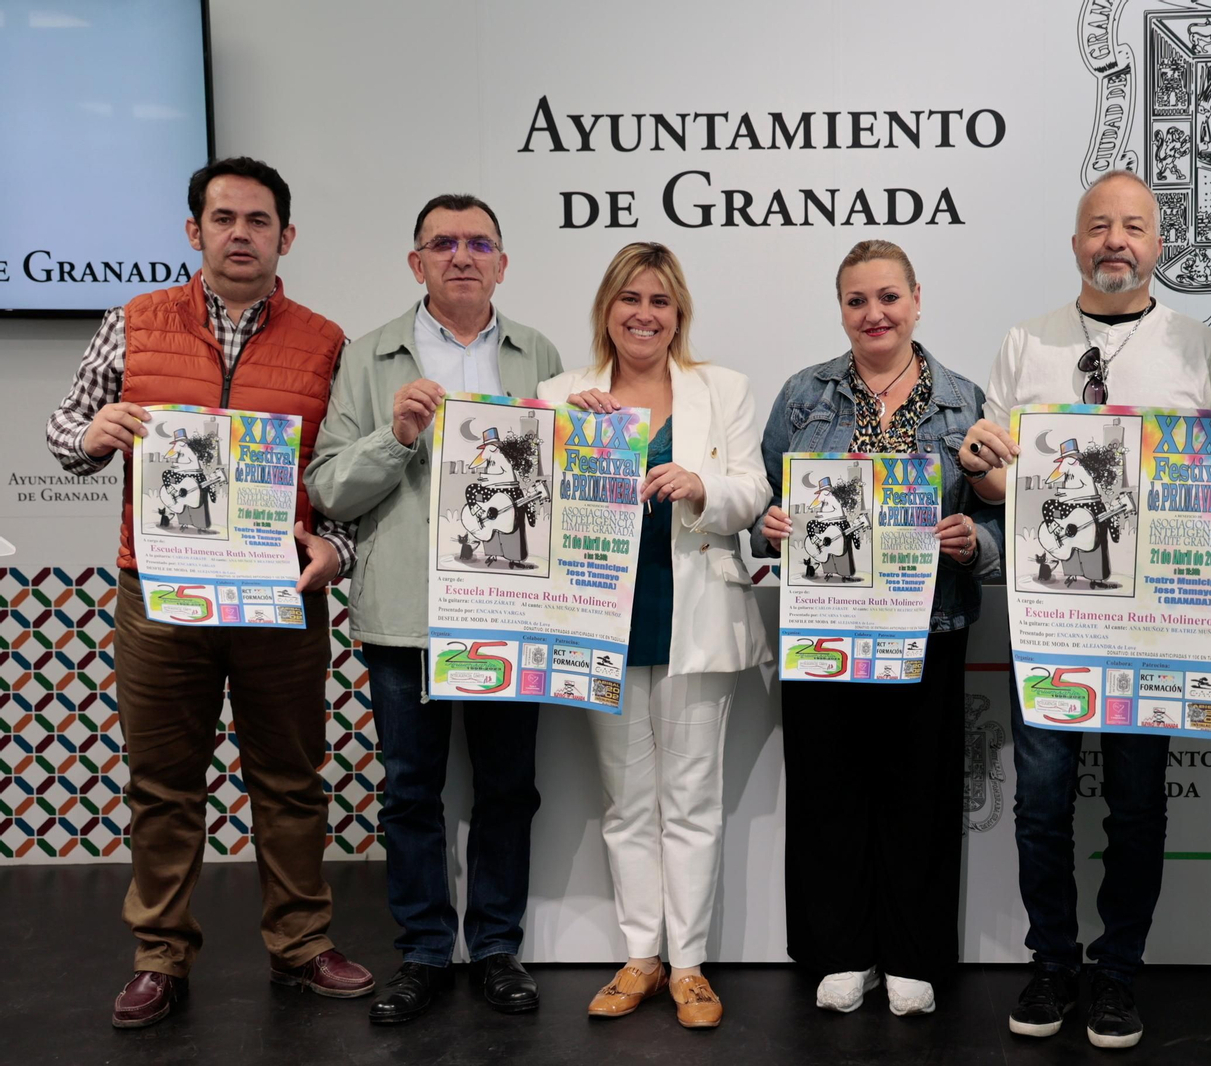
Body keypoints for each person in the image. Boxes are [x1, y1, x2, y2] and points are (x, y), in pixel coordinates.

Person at [44, 157, 374, 1028]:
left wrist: (336, 550)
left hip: (279, 596)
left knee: (290, 780)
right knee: (163, 784)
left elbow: (340, 478)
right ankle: (159, 956)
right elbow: (63, 431)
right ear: (195, 231)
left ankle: (301, 944)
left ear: (285, 237)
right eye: (223, 218)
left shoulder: (326, 341)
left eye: (258, 221)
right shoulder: (133, 322)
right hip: (159, 595)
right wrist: (92, 431)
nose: (240, 234)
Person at [959, 170, 1211, 1049]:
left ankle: (1118, 974)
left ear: (1158, 243)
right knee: (1041, 802)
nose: (1117, 241)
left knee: (1138, 805)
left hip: (1157, 621)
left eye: (1134, 227)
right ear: (1076, 243)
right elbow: (992, 481)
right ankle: (1052, 964)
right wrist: (986, 464)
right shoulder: (1026, 342)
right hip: (1053, 617)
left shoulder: (1200, 346)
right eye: (1100, 226)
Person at [303, 194, 562, 1024]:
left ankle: (495, 948)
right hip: (405, 615)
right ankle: (421, 952)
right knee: (412, 793)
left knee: (507, 789)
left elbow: (560, 487)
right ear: (416, 262)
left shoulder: (539, 354)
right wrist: (397, 437)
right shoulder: (369, 355)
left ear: (502, 263)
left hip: (511, 613)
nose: (461, 256)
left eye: (479, 243)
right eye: (442, 243)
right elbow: (327, 486)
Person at [755, 239, 998, 1018]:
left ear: (916, 300)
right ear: (841, 309)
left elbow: (1001, 518)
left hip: (929, 626)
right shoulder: (804, 396)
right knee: (828, 788)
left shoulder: (965, 400)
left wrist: (976, 541)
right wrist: (767, 525)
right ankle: (842, 951)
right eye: (857, 300)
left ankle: (912, 954)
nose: (874, 313)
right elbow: (763, 498)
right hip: (824, 626)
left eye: (888, 297)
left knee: (920, 791)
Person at [538, 242, 770, 1030]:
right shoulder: (562, 393)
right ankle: (642, 956)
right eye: (630, 298)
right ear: (607, 308)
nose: (644, 314)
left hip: (694, 619)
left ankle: (691, 966)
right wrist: (567, 436)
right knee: (626, 802)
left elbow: (753, 490)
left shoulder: (722, 388)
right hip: (601, 621)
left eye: (660, 301)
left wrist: (703, 487)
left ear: (679, 314)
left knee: (693, 802)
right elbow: (534, 499)